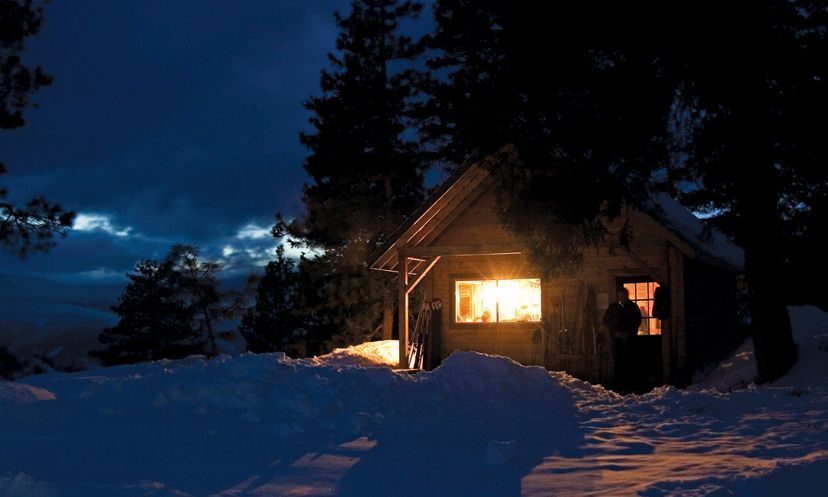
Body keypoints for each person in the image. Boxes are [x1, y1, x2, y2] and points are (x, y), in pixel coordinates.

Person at [602, 288, 643, 391]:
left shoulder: (633, 307)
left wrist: (628, 334)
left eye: (623, 295)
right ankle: (618, 385)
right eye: (620, 295)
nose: (621, 297)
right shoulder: (613, 307)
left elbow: (637, 321)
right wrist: (614, 332)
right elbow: (606, 320)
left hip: (629, 340)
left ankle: (630, 385)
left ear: (627, 295)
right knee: (618, 361)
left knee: (629, 361)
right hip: (616, 339)